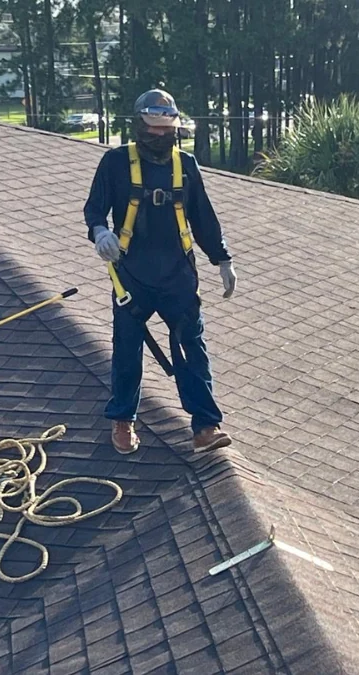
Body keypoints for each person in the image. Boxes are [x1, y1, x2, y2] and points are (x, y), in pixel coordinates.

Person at [83, 88, 237, 455]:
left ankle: (205, 426)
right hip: (131, 273)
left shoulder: (186, 166)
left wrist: (223, 259)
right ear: (139, 126)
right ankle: (123, 420)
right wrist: (100, 231)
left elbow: (203, 218)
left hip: (177, 275)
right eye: (152, 130)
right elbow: (94, 209)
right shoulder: (116, 163)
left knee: (191, 348)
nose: (158, 137)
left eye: (165, 131)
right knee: (127, 348)